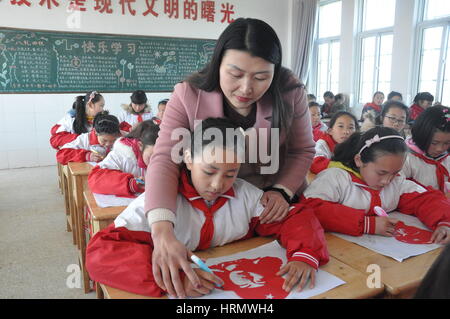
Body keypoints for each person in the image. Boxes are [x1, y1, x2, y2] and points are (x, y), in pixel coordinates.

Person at [143, 18, 316, 298]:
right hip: (211, 205)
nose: (246, 88)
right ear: (217, 64)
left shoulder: (289, 90)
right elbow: (165, 157)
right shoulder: (188, 94)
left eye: (261, 78)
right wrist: (162, 230)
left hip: (268, 208)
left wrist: (281, 190)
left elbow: (302, 149)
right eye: (235, 74)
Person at [85, 118, 329, 298]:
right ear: (189, 159)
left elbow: (295, 218)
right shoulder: (161, 205)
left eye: (230, 173)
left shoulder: (244, 195)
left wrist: (305, 254)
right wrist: (173, 278)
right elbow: (101, 254)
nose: (217, 185)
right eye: (209, 171)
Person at [302, 127, 450, 241]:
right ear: (359, 160)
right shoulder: (336, 178)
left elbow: (426, 199)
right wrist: (367, 224)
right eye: (381, 173)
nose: (387, 181)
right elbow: (311, 207)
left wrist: (444, 222)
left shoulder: (396, 182)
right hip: (337, 256)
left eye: (394, 172)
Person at [88, 120, 160, 197]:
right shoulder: (122, 154)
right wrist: (130, 184)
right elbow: (95, 179)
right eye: (152, 156)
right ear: (140, 146)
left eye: (162, 157)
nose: (156, 162)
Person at [401, 106, 450, 194]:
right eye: (434, 143)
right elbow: (399, 189)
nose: (440, 149)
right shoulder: (406, 158)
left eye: (447, 143)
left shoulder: (447, 158)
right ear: (422, 136)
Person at [56, 111, 120, 165]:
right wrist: (86, 156)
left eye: (113, 140)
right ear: (95, 132)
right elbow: (61, 155)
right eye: (104, 140)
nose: (108, 144)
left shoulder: (120, 138)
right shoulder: (84, 139)